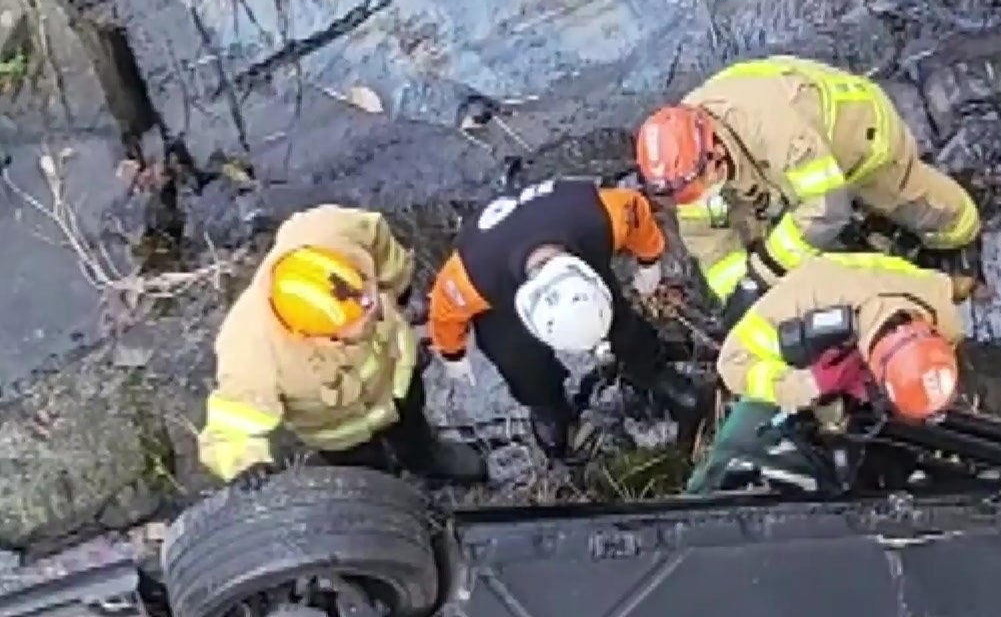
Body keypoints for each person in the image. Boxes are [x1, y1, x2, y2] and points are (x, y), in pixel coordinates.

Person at [635, 54, 981, 322]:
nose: (696, 199)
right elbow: (708, 239)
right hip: (775, 169)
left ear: (713, 151)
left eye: (699, 186)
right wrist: (738, 294)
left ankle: (961, 237)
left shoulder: (770, 125)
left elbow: (827, 206)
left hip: (859, 139)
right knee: (755, 228)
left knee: (910, 197)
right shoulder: (688, 166)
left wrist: (762, 272)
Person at [197, 205, 487, 487]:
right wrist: (243, 463)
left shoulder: (332, 231)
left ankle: (427, 458)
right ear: (308, 332)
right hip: (339, 429)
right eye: (352, 329)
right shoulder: (251, 352)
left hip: (394, 374)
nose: (371, 315)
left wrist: (399, 285)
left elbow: (376, 235)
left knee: (412, 422)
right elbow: (230, 427)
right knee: (364, 473)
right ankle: (381, 487)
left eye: (369, 303)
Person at [427, 177, 705, 457]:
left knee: (621, 325)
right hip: (503, 299)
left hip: (573, 251)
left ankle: (651, 369)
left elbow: (635, 210)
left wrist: (649, 258)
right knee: (520, 363)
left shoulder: (597, 217)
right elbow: (444, 310)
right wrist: (453, 354)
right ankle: (548, 407)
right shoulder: (474, 274)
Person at [685, 253, 967, 494]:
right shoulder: (807, 297)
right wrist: (808, 385)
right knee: (737, 449)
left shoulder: (940, 311)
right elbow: (731, 364)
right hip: (796, 373)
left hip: (861, 369)